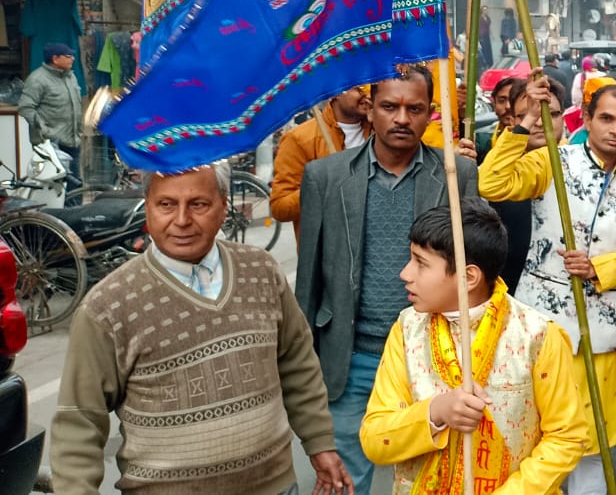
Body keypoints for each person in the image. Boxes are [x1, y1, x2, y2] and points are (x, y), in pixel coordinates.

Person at [51, 163, 353, 494]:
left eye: (198, 204)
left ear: (224, 206)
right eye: (166, 204)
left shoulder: (261, 270)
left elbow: (297, 363)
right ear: (147, 206)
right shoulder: (107, 306)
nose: (181, 220)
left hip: (275, 486)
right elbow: (79, 421)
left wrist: (319, 442)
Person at [295, 65, 481, 495]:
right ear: (370, 109)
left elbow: (473, 272)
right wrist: (302, 369)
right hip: (350, 355)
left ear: (430, 113)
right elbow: (309, 281)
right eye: (389, 106)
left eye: (414, 108)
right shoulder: (326, 177)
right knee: (342, 478)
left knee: (430, 475)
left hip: (431, 355)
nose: (401, 118)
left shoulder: (457, 176)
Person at [480, 81, 616, 494]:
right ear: (588, 117)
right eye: (606, 119)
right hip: (546, 330)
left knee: (591, 447)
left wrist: (599, 267)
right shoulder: (553, 162)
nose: (615, 129)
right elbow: (492, 183)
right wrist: (525, 121)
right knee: (536, 442)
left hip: (602, 337)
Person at [359, 201, 590, 493]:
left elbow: (566, 437)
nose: (406, 273)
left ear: (469, 277)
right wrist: (435, 413)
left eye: (421, 263)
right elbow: (375, 439)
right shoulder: (407, 330)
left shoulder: (538, 336)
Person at [271, 86, 372, 234]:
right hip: (327, 250)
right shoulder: (300, 139)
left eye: (371, 86)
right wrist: (322, 186)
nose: (367, 95)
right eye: (360, 88)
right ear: (335, 91)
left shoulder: (381, 130)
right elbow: (280, 208)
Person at [477, 77, 534, 296]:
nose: (537, 121)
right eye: (526, 116)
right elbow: (488, 183)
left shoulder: (576, 165)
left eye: (549, 114)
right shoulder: (500, 162)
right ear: (512, 121)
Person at [19, 42, 82, 166]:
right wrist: (44, 130)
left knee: (74, 183)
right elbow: (25, 107)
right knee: (54, 183)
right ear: (55, 59)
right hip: (50, 143)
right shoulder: (38, 79)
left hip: (72, 140)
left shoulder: (70, 76)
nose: (72, 58)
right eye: (68, 56)